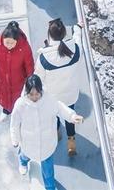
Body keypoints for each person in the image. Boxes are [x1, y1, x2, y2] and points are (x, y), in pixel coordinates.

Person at [10, 74, 83, 187]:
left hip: (46, 145)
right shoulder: (20, 105)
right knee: (25, 155)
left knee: (48, 172)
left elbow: (60, 108)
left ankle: (50, 187)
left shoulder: (49, 100)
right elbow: (14, 124)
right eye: (31, 94)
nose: (34, 97)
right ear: (27, 92)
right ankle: (22, 162)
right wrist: (15, 139)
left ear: (41, 91)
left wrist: (72, 116)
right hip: (29, 143)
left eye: (37, 94)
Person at [35, 18, 83, 155]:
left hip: (54, 97)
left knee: (54, 114)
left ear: (49, 36)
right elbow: (77, 39)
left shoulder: (44, 58)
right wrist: (78, 28)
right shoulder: (75, 50)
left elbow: (39, 79)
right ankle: (71, 142)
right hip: (71, 94)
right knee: (70, 115)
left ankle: (57, 134)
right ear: (64, 34)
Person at [0, 21, 34, 121]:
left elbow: (29, 64)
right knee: (5, 98)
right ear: (3, 39)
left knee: (18, 99)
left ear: (17, 40)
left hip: (18, 80)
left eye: (12, 43)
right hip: (1, 79)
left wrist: (30, 82)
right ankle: (6, 111)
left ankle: (19, 115)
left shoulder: (24, 47)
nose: (9, 45)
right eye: (7, 42)